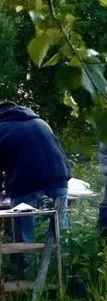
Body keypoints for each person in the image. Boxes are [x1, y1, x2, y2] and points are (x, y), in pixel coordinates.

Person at [0, 101, 71, 245]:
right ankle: (59, 266)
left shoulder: (2, 127)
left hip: (26, 185)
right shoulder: (40, 122)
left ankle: (28, 267)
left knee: (27, 242)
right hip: (59, 181)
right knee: (59, 236)